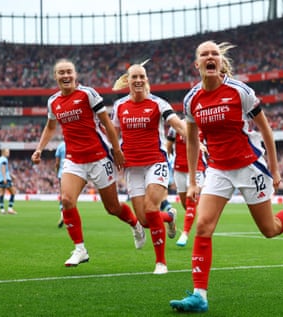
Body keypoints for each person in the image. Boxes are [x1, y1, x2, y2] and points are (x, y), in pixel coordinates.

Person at [169, 40, 283, 313]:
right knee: (203, 226)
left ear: (220, 62)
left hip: (250, 166)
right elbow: (192, 140)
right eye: (204, 54)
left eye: (214, 54)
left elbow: (266, 131)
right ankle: (199, 295)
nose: (210, 57)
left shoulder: (240, 91)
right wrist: (195, 180)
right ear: (197, 64)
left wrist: (275, 169)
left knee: (270, 229)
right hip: (217, 169)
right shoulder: (191, 99)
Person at [31, 58, 145, 267]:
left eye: (69, 72)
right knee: (66, 200)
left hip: (99, 157)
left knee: (112, 208)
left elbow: (107, 124)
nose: (66, 76)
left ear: (75, 75)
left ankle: (135, 223)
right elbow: (50, 127)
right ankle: (80, 249)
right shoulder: (53, 102)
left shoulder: (88, 94)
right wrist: (39, 148)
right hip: (74, 160)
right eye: (61, 73)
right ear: (56, 77)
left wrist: (117, 149)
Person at [112, 62, 185, 274]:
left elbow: (176, 124)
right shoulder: (119, 106)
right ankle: (170, 217)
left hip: (156, 162)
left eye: (141, 76)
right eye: (134, 77)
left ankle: (161, 262)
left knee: (152, 209)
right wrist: (112, 152)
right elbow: (114, 134)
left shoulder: (158, 103)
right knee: (144, 220)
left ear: (146, 79)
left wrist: (193, 137)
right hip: (132, 167)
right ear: (127, 80)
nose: (138, 80)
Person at [166, 122, 207, 247]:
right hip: (179, 169)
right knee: (186, 204)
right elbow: (169, 145)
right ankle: (203, 214)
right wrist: (170, 159)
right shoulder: (176, 127)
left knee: (191, 200)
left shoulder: (203, 125)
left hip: (197, 168)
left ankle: (185, 234)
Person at [0, 148, 17, 215]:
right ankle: (10, 209)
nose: (8, 153)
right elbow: (3, 168)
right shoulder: (4, 159)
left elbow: (3, 169)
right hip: (5, 178)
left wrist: (11, 175)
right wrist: (5, 178)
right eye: (7, 152)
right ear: (3, 152)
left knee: (2, 194)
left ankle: (2, 210)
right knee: (13, 192)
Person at [55, 140, 66, 228]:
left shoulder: (60, 146)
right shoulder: (74, 142)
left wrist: (56, 172)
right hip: (73, 173)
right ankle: (70, 218)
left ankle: (63, 215)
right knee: (71, 197)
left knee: (63, 196)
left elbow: (57, 163)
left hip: (61, 174)